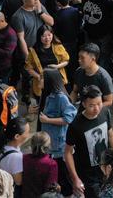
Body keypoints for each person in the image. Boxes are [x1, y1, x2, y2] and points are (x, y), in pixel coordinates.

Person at [65, 84, 113, 197]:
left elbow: (110, 134)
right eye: (91, 105)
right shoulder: (75, 125)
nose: (97, 108)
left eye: (99, 103)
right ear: (84, 104)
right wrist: (75, 178)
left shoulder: (105, 112)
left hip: (106, 168)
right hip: (88, 175)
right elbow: (67, 153)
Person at [39, 68, 77, 196]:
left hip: (59, 146)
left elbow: (69, 118)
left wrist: (48, 120)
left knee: (63, 176)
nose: (40, 80)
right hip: (50, 143)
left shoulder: (60, 97)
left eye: (42, 78)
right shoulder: (47, 94)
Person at [26, 25, 70, 105]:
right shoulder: (33, 50)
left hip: (57, 80)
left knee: (58, 103)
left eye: (49, 35)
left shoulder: (58, 46)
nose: (47, 38)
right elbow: (29, 68)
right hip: (41, 81)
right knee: (43, 103)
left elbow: (66, 60)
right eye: (43, 36)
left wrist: (57, 66)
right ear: (39, 37)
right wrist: (39, 76)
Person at [0, 116, 31, 192]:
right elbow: (18, 182)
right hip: (9, 190)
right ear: (17, 136)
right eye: (27, 132)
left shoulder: (0, 145)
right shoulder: (16, 157)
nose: (29, 135)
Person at [22, 132, 59, 197]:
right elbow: (50, 189)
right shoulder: (51, 164)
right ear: (48, 146)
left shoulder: (24, 158)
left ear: (32, 145)